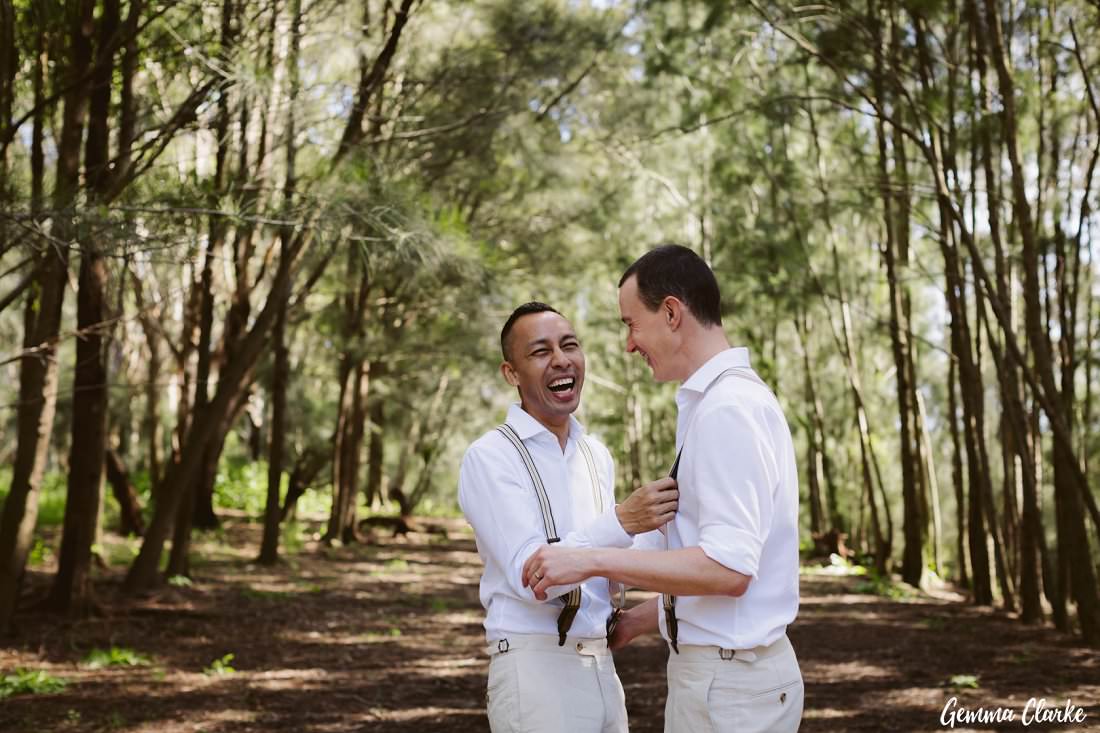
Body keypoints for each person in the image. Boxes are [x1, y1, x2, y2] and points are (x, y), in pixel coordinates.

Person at [522, 246, 804, 733]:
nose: (629, 345)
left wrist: (590, 560)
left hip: (731, 688)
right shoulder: (715, 403)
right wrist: (642, 619)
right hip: (728, 679)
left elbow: (728, 569)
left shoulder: (727, 409)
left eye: (631, 323)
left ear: (671, 312)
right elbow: (723, 570)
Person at [459, 301, 679, 733]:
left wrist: (671, 523)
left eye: (570, 345)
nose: (561, 359)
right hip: (533, 665)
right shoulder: (491, 457)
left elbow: (614, 557)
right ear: (511, 373)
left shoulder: (596, 455)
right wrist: (623, 520)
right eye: (540, 352)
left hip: (602, 663)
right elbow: (533, 578)